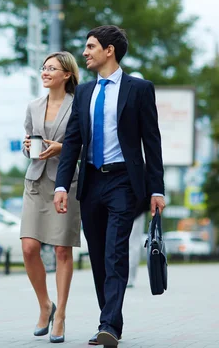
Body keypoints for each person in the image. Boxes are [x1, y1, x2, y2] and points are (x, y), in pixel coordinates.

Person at [54, 25, 165, 347]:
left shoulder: (139, 89)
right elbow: (72, 142)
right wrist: (62, 185)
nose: (85, 53)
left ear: (109, 50)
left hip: (124, 182)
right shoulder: (84, 93)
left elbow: (152, 142)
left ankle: (109, 326)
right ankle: (110, 318)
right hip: (91, 182)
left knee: (116, 251)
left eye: (90, 47)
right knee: (100, 257)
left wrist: (156, 189)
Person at [20, 51, 81, 343]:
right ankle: (45, 304)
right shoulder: (33, 106)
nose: (45, 72)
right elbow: (31, 139)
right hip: (35, 181)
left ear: (66, 75)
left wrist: (63, 149)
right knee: (29, 248)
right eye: (43, 68)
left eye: (51, 68)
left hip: (66, 183)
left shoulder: (79, 105)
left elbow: (88, 146)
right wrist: (26, 146)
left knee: (61, 251)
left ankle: (61, 315)